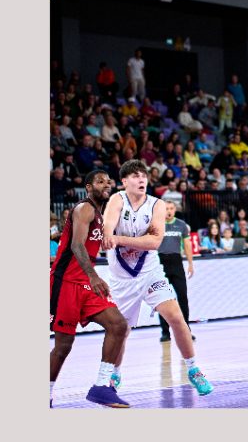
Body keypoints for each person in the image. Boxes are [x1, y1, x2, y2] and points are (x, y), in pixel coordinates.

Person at [101, 160, 213, 396]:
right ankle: (115, 372)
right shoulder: (116, 200)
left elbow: (154, 242)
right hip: (122, 280)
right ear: (124, 182)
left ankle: (194, 370)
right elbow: (107, 231)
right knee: (121, 331)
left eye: (143, 176)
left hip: (150, 273)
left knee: (176, 316)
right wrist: (113, 235)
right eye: (135, 176)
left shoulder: (157, 205)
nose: (141, 180)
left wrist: (120, 240)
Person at [50, 170, 131, 408]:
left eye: (108, 181)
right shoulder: (84, 208)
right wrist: (94, 276)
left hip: (85, 284)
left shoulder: (100, 214)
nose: (106, 183)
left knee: (118, 325)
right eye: (100, 181)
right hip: (66, 283)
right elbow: (76, 245)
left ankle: (101, 386)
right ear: (88, 187)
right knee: (63, 346)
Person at [157, 201, 196, 342]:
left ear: (175, 210)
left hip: (176, 262)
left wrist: (191, 263)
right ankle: (165, 332)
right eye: (166, 208)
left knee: (183, 298)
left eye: (171, 208)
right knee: (162, 299)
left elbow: (187, 244)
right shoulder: (156, 224)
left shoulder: (181, 225)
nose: (169, 211)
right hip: (160, 263)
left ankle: (186, 330)